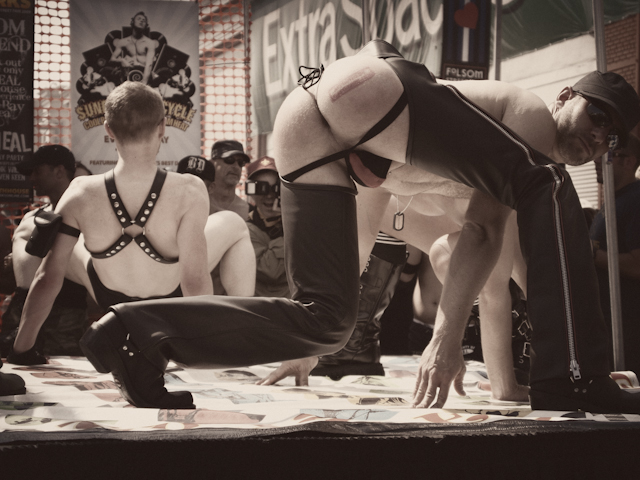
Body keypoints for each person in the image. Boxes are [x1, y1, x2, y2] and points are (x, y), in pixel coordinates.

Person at [79, 41, 640, 414]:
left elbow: (368, 227)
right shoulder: (530, 119)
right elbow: (482, 236)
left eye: (611, 136)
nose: (598, 137)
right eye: (596, 115)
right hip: (373, 90)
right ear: (566, 96)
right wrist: (444, 340)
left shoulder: (462, 152)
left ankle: (135, 333)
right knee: (548, 182)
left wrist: (303, 341)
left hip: (310, 122)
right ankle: (575, 376)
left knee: (328, 321)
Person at [9, 83, 255, 384]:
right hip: (169, 294)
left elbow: (48, 278)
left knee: (32, 228)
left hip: (108, 294)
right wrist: (201, 352)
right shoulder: (189, 189)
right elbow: (195, 280)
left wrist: (22, 349)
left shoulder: (80, 191)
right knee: (234, 224)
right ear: (162, 127)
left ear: (108, 130)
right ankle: (244, 338)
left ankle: (19, 324)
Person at [1, 146, 89, 360]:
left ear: (59, 171)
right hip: (21, 313)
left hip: (64, 319)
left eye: (37, 171)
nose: (32, 178)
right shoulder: (32, 218)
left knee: (63, 373)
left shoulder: (89, 218)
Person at [590, 134, 640, 376]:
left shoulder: (636, 199)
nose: (596, 161)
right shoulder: (614, 200)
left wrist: (590, 253)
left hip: (628, 331)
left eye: (606, 156)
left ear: (629, 161)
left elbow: (638, 265)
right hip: (608, 326)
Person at [245, 156, 289, 298]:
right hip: (262, 304)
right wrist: (285, 229)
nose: (269, 196)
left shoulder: (299, 222)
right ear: (252, 192)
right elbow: (270, 271)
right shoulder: (246, 230)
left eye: (275, 188)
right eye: (261, 188)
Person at [109, 12, 157, 85]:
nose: (141, 21)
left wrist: (143, 83)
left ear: (146, 25)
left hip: (144, 75)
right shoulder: (123, 41)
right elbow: (112, 59)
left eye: (144, 20)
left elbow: (149, 64)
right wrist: (121, 60)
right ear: (132, 22)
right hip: (127, 76)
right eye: (139, 19)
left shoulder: (150, 43)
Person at [207, 140, 250, 219]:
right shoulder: (199, 202)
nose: (236, 167)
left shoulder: (247, 210)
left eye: (240, 163)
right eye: (229, 160)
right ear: (212, 163)